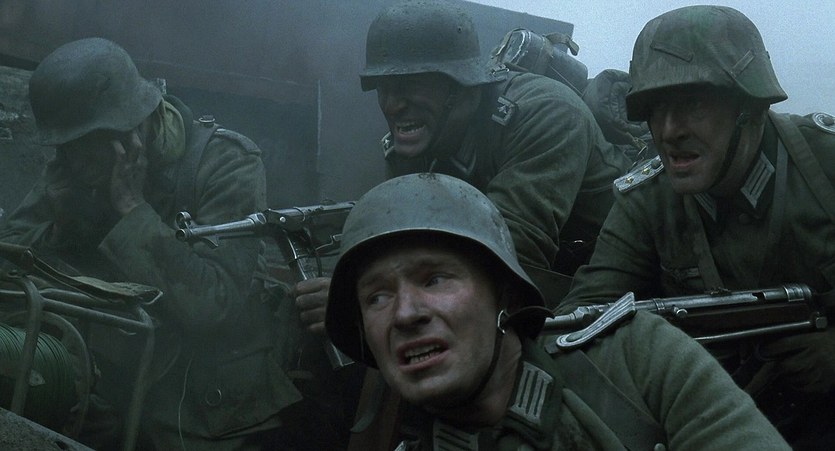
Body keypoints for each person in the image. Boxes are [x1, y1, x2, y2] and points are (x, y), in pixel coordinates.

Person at [323, 172, 789, 450]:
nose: (405, 314)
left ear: (504, 294)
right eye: (377, 297)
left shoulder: (635, 361)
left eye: (435, 280)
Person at [0, 37, 301, 449]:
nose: (76, 161)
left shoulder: (225, 163)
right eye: (67, 148)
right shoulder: (76, 163)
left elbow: (218, 304)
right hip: (105, 393)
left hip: (200, 405)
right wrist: (60, 224)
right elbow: (8, 263)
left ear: (134, 125)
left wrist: (131, 209)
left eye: (87, 146)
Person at [560, 5, 835, 449]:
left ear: (749, 107)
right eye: (655, 109)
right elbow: (583, 325)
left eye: (693, 105)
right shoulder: (647, 201)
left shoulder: (824, 166)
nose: (669, 131)